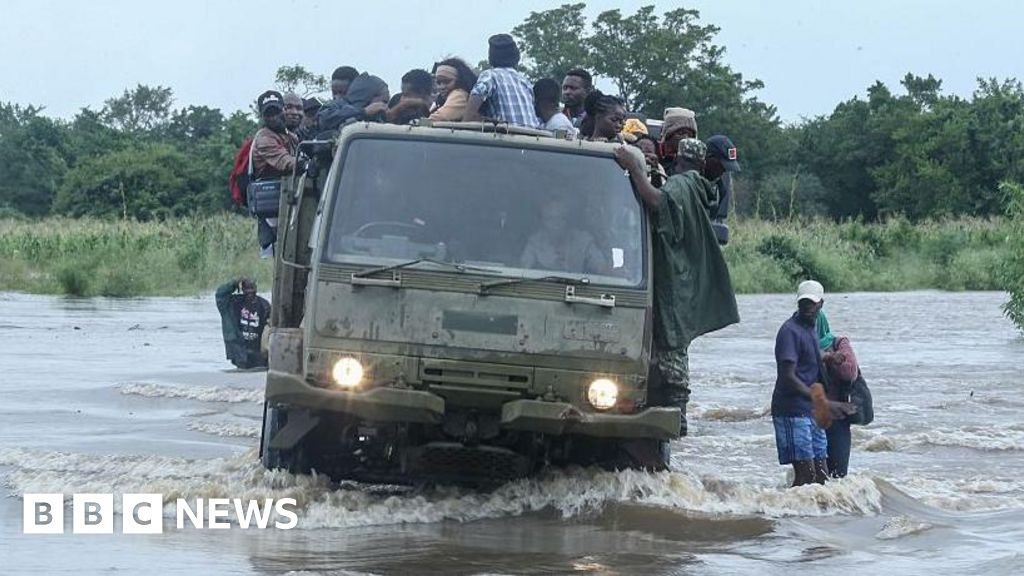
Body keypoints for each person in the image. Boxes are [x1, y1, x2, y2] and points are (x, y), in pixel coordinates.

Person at [614, 138, 740, 436]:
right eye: (721, 167)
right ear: (704, 161)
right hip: (682, 279)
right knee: (676, 342)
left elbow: (657, 202)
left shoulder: (683, 184)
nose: (722, 173)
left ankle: (676, 416)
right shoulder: (698, 187)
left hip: (672, 280)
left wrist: (635, 170)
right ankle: (676, 416)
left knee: (671, 343)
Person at [770, 280, 845, 486]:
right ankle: (788, 515)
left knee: (822, 476)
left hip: (810, 410)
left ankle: (818, 517)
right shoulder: (789, 332)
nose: (808, 308)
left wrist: (829, 357)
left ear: (821, 303)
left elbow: (809, 353)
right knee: (806, 476)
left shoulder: (811, 327)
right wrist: (819, 399)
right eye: (804, 303)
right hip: (792, 411)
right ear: (798, 303)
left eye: (812, 304)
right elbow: (788, 376)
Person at [251, 90, 299, 257]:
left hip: (285, 202)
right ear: (263, 116)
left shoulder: (288, 135)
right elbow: (286, 163)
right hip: (272, 206)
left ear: (283, 110)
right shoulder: (264, 139)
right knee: (280, 255)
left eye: (277, 111)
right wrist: (307, 163)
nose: (274, 117)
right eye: (269, 114)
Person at [817, 308, 862, 478]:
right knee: (811, 475)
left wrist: (828, 357)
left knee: (838, 475)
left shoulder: (839, 343)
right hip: (810, 416)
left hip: (837, 417)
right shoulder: (800, 344)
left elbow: (850, 372)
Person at [463, 34, 540, 128]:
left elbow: (476, 98)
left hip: (507, 137)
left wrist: (467, 121)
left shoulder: (490, 75)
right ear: (516, 56)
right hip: (533, 137)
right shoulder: (525, 81)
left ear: (491, 57)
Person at [520, 198, 607, 274]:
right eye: (550, 219)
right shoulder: (535, 242)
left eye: (561, 218)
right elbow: (522, 271)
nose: (556, 223)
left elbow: (602, 267)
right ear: (542, 222)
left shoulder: (583, 241)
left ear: (569, 220)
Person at [216, 277, 271, 370]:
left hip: (258, 353)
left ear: (256, 289)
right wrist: (234, 283)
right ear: (242, 289)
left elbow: (270, 326)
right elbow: (220, 295)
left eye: (252, 289)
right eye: (247, 289)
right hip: (240, 351)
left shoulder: (264, 305)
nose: (250, 293)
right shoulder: (234, 303)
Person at [316, 72, 390, 132]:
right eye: (383, 101)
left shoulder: (378, 117)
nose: (383, 105)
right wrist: (363, 112)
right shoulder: (336, 106)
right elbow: (324, 120)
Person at [703, 135, 741, 231]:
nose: (723, 171)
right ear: (708, 158)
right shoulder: (687, 183)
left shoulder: (720, 190)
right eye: (720, 166)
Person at [659, 108, 698, 175]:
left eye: (690, 135)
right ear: (668, 136)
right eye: (681, 133)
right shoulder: (656, 156)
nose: (686, 138)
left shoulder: (696, 164)